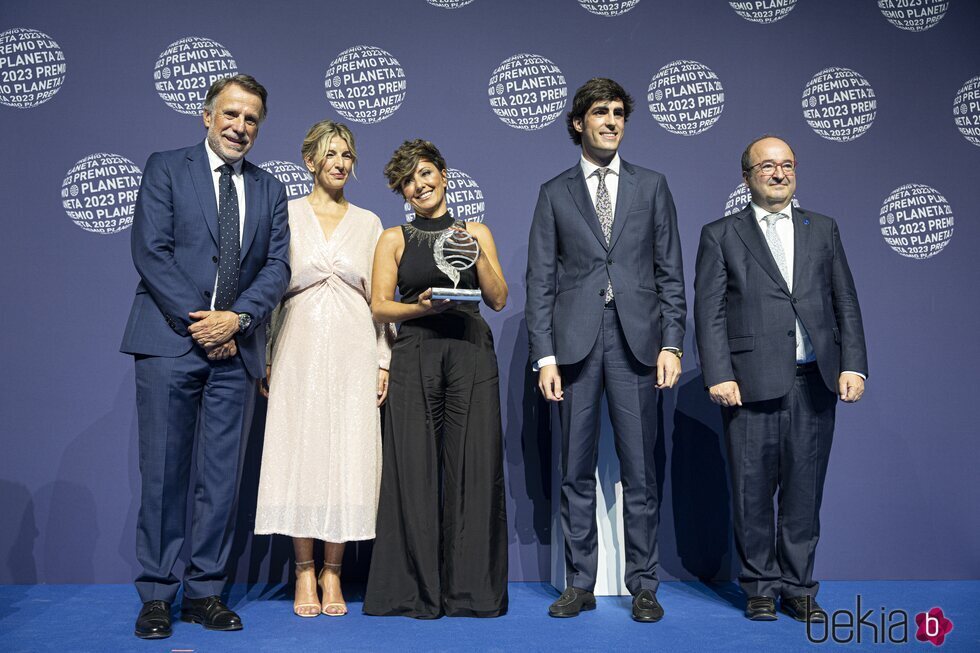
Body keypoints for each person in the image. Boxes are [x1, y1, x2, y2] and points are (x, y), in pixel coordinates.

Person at [120, 74, 290, 639]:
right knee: (165, 473)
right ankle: (157, 595)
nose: (240, 127)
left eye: (251, 120)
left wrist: (237, 321)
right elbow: (151, 250)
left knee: (220, 480)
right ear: (207, 115)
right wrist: (203, 322)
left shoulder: (269, 189)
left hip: (235, 350)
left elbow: (277, 268)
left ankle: (204, 593)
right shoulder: (166, 167)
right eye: (231, 115)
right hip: (170, 342)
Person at [525, 78, 687, 622]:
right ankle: (580, 583)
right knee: (575, 471)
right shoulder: (554, 192)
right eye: (601, 112)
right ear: (579, 123)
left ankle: (644, 584)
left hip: (638, 344)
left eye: (620, 112)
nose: (612, 121)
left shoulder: (653, 185)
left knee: (641, 470)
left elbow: (671, 273)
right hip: (574, 348)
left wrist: (672, 343)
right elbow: (540, 281)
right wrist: (544, 356)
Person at [694, 136, 868, 623]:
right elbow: (708, 313)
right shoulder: (721, 234)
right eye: (767, 166)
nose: (779, 173)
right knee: (751, 493)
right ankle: (760, 588)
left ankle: (798, 587)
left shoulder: (824, 229)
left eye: (787, 165)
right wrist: (719, 373)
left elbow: (845, 302)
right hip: (748, 385)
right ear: (747, 176)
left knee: (804, 493)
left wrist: (853, 364)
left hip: (815, 382)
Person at [363, 139, 509, 619]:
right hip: (417, 349)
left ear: (443, 175)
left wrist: (478, 255)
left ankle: (471, 593)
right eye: (408, 180)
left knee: (472, 466)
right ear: (402, 191)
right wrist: (421, 306)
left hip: (469, 349)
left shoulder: (476, 230)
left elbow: (499, 298)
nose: (419, 185)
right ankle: (413, 592)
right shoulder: (394, 237)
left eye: (425, 173)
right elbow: (380, 305)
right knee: (415, 468)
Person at [254, 120, 391, 618]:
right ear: (310, 160)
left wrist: (383, 360)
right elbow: (269, 293)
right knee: (302, 451)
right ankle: (305, 569)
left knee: (349, 454)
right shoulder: (284, 215)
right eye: (331, 154)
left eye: (348, 155)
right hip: (298, 346)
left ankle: (335, 571)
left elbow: (381, 301)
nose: (340, 163)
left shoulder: (371, 222)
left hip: (355, 346)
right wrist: (264, 355)